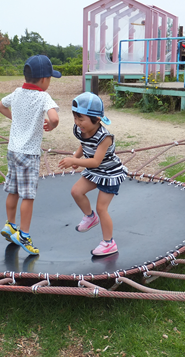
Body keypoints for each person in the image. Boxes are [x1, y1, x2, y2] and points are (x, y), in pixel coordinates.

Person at [0, 55, 61, 255]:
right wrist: (51, 125)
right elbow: (55, 117)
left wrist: (16, 120)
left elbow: (0, 106)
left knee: (13, 190)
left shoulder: (17, 92)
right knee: (28, 196)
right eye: (50, 78)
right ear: (43, 80)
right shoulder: (43, 97)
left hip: (12, 150)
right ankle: (24, 234)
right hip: (29, 154)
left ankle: (10, 225)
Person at [58, 92, 127, 257]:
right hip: (95, 172)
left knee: (102, 208)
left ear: (96, 119)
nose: (77, 123)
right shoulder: (80, 129)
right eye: (75, 118)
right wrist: (76, 157)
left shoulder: (105, 138)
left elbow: (96, 161)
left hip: (110, 174)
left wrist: (74, 161)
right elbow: (84, 144)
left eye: (81, 119)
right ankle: (90, 217)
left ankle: (109, 243)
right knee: (76, 191)